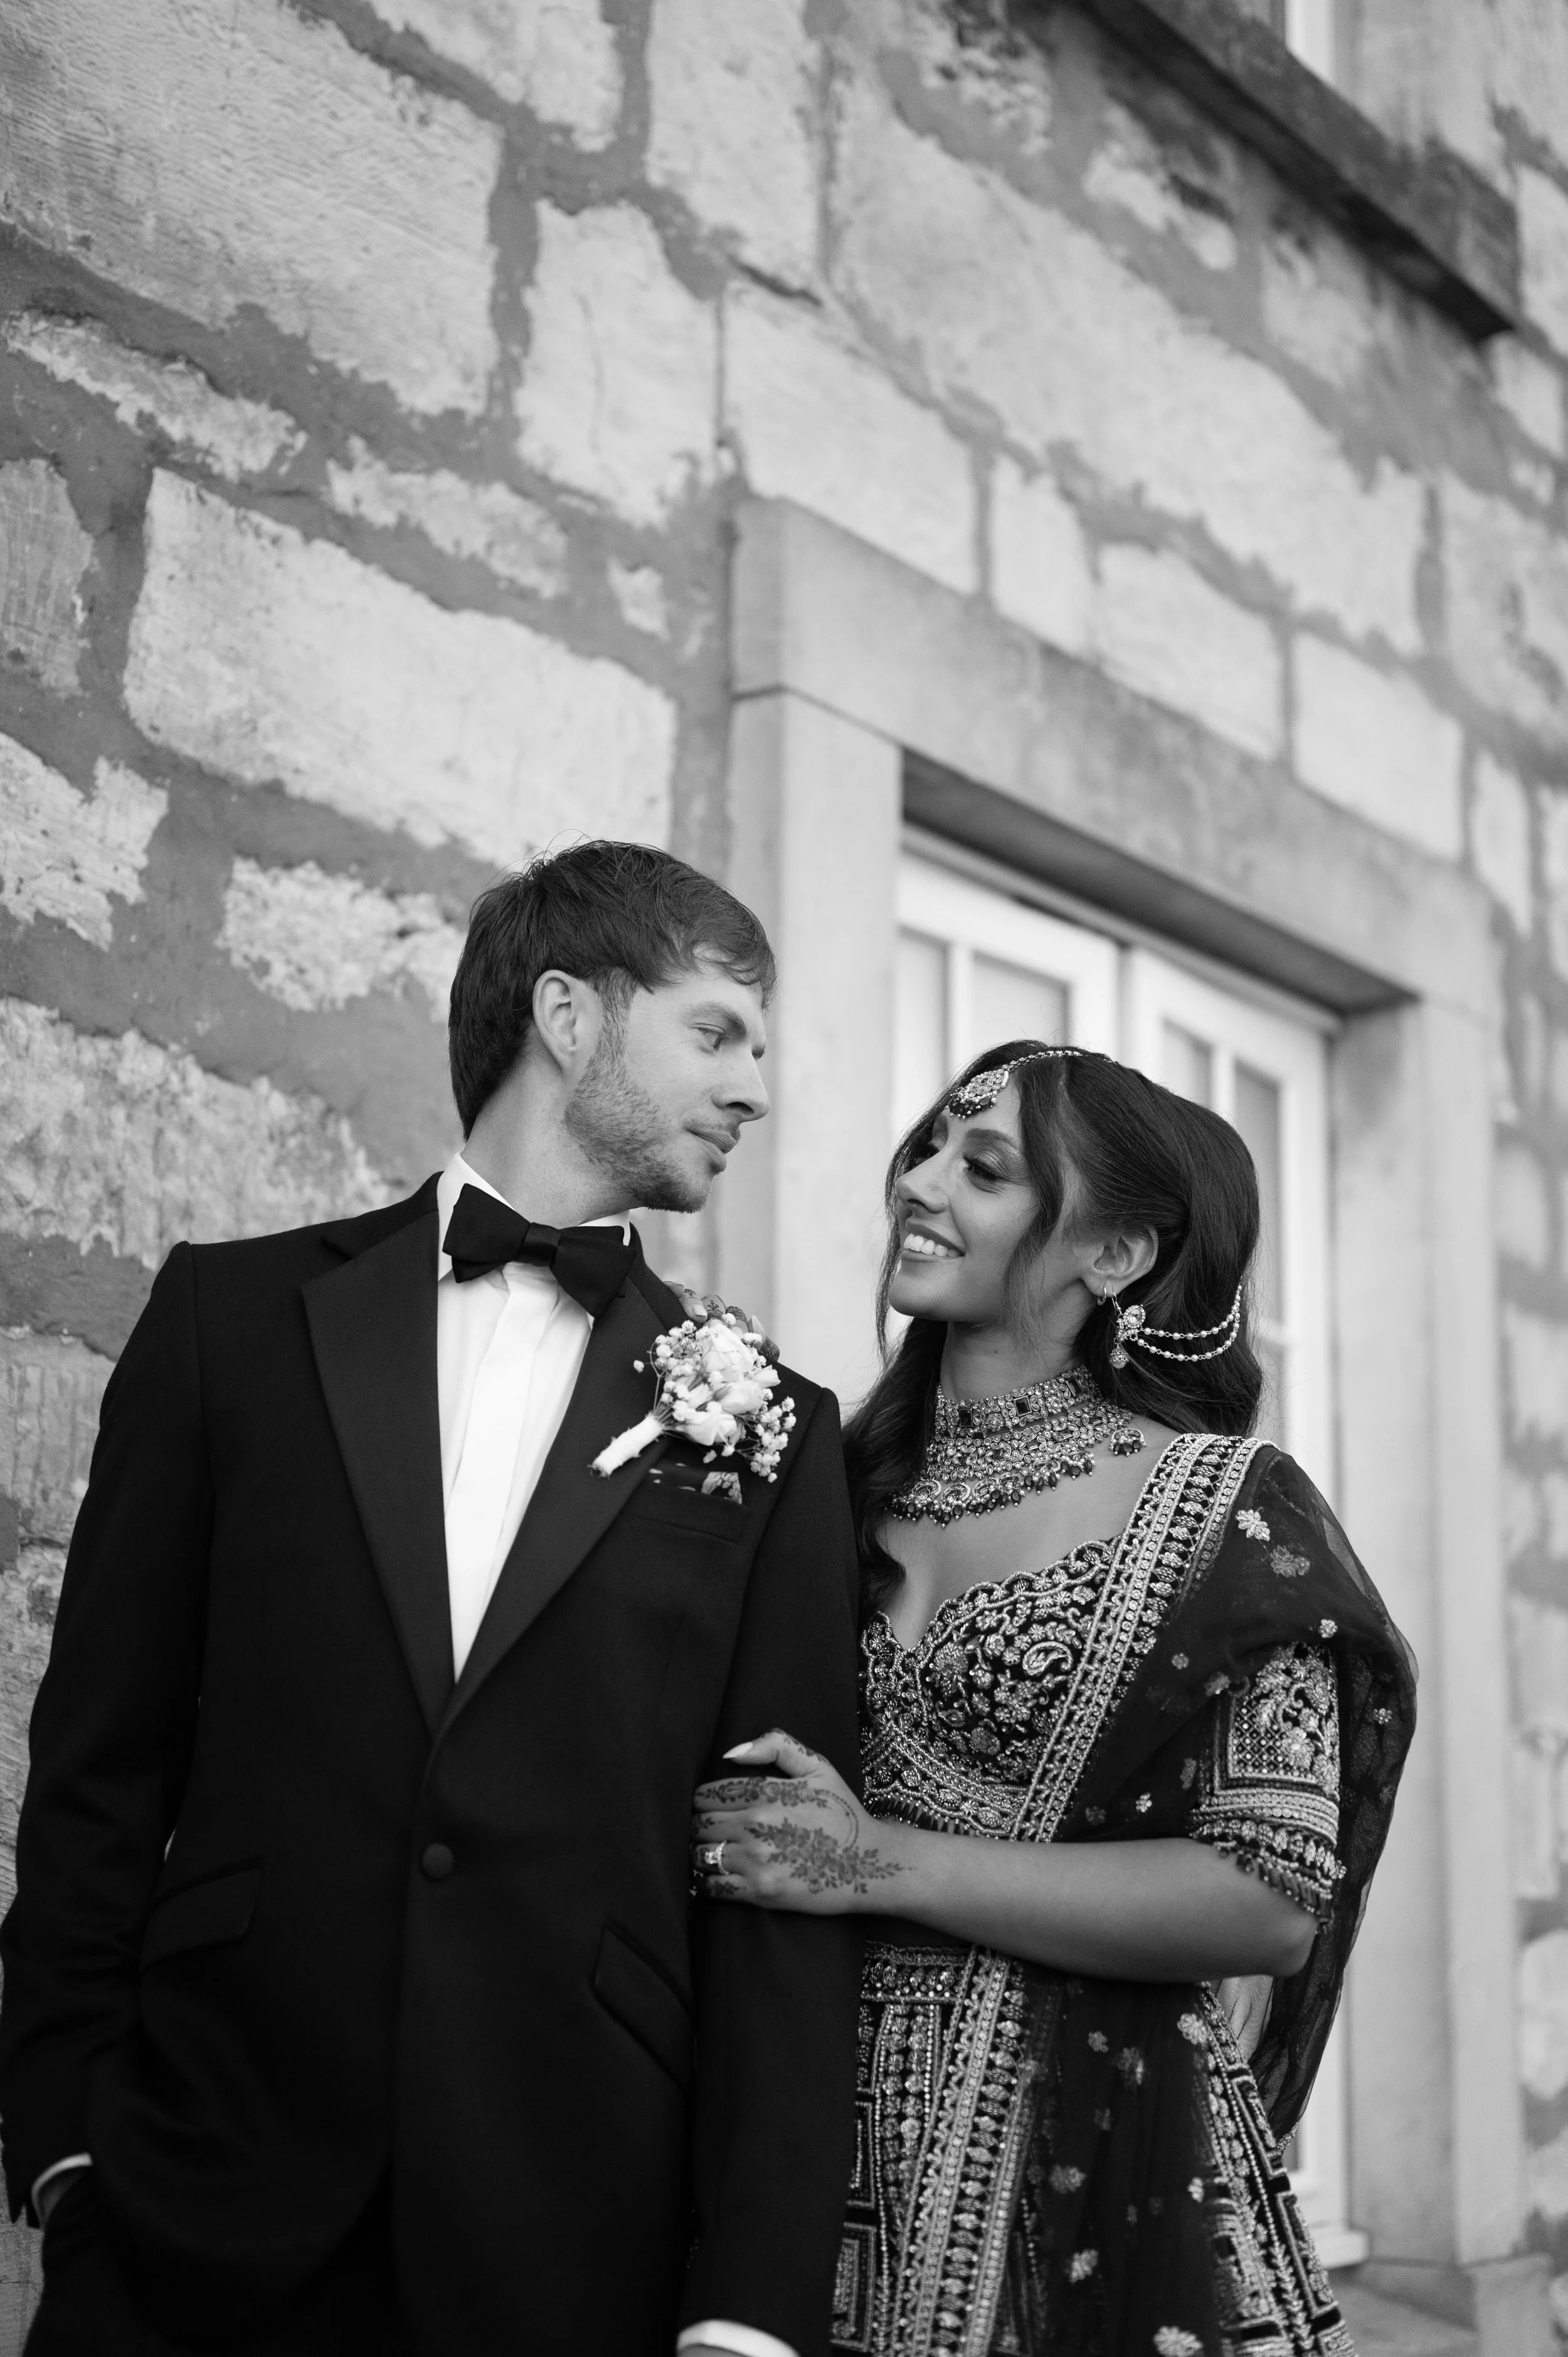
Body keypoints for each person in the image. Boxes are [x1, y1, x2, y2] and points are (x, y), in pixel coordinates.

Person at [1, 841, 862, 2357]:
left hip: (571, 2231)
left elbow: (773, 1882)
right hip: (196, 2207)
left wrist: (749, 2302)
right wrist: (67, 2138)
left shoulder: (772, 1425)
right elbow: (97, 1764)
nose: (752, 1091)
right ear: (569, 1015)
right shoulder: (232, 1320)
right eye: (716, 1032)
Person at [692, 1040, 1415, 2357]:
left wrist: (876, 1863)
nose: (919, 1183)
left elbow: (1264, 1900)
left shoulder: (1224, 1515)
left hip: (1096, 2168)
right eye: (925, 1146)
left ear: (1116, 1255)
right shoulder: (818, 1483)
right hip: (789, 2147)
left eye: (982, 1168)